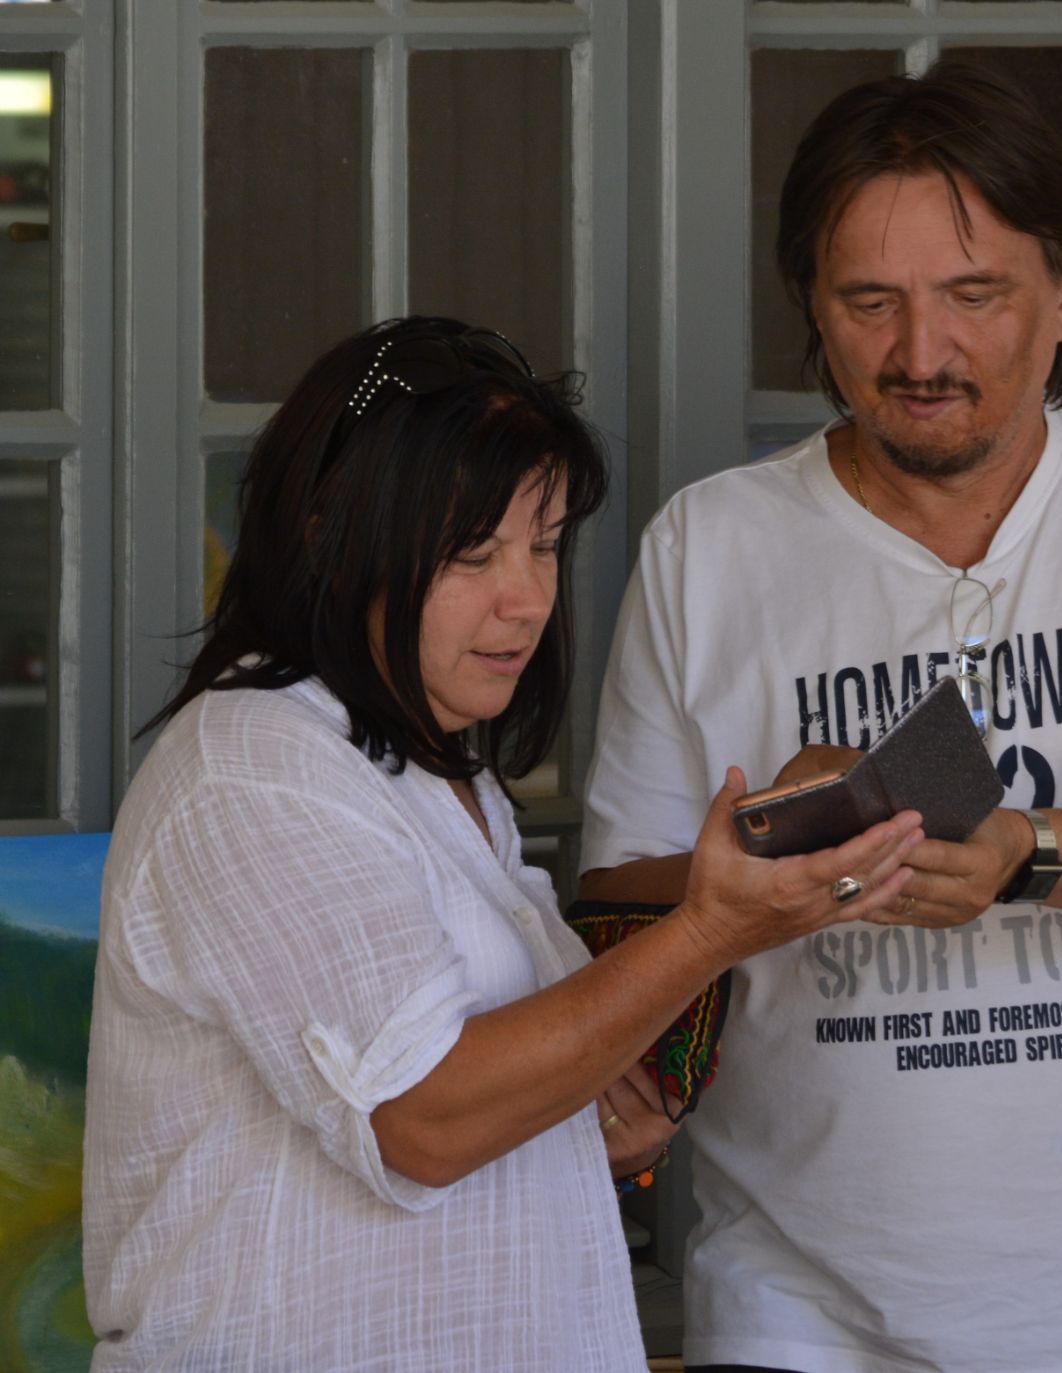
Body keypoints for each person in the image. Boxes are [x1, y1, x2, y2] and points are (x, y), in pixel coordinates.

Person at [580, 61, 1062, 1373]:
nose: (918, 353)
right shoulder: (707, 546)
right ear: (812, 308)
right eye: (867, 301)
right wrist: (769, 847)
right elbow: (617, 901)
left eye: (971, 295)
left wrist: (1016, 855)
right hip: (802, 1320)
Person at [81, 316, 924, 1371]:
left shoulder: (445, 775)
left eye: (545, 544)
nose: (525, 598)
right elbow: (426, 1120)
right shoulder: (253, 763)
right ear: (330, 537)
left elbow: (498, 1083)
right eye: (472, 552)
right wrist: (713, 928)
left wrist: (589, 1114)